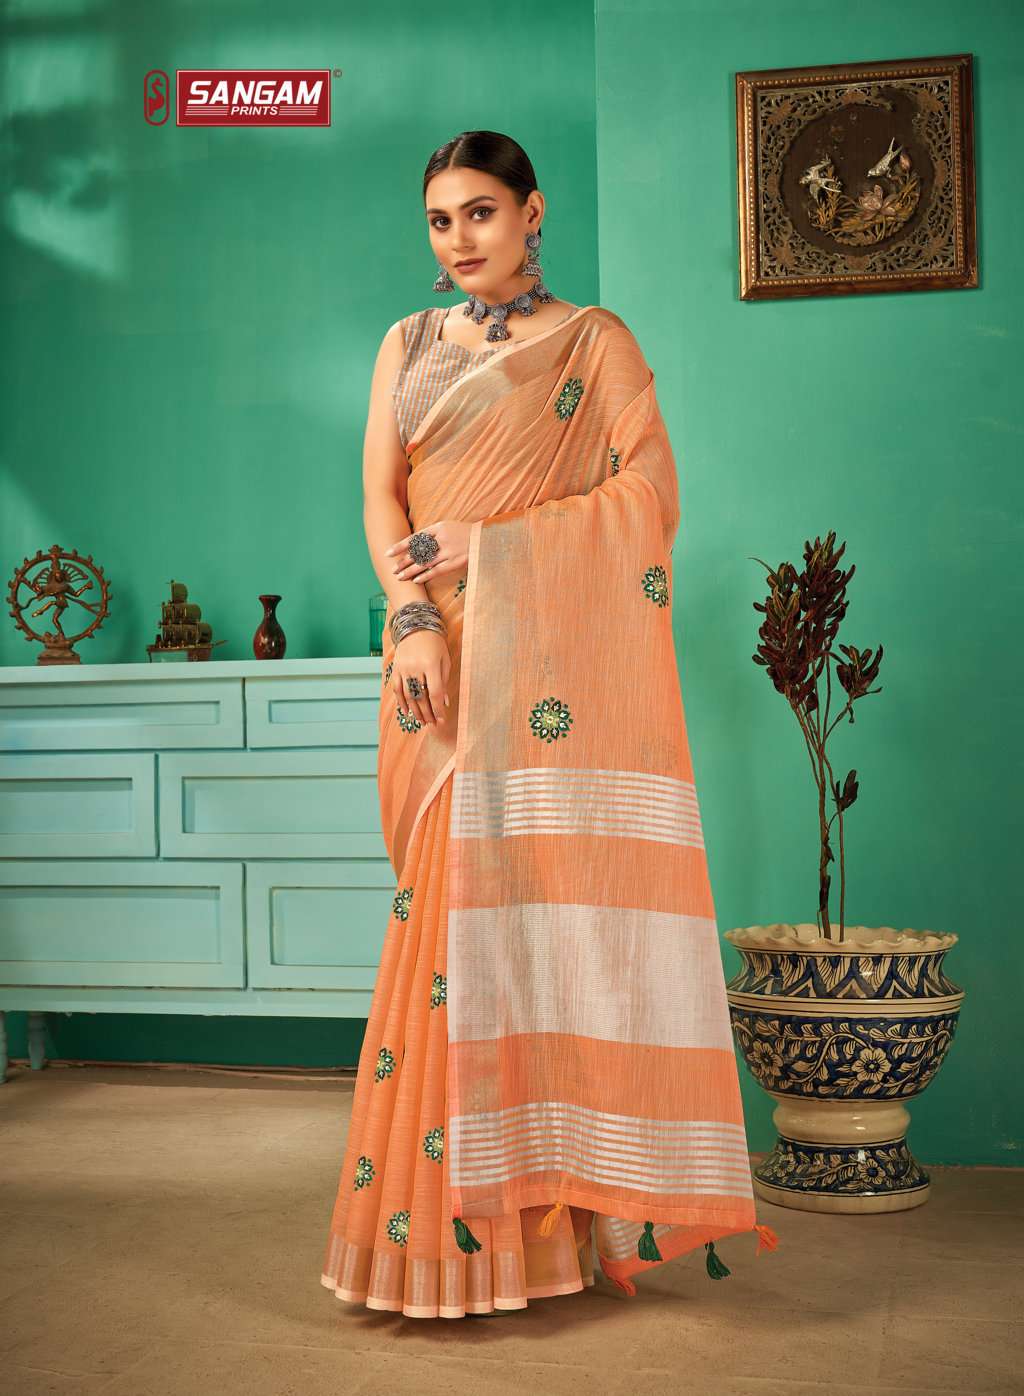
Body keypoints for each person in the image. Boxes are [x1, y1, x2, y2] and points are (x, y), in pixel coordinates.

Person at [320, 129, 779, 1320]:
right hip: (435, 658)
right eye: (440, 220)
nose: (458, 238)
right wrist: (411, 620)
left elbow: (648, 498)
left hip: (540, 677)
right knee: (442, 926)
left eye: (479, 211)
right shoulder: (407, 344)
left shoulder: (594, 343)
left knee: (526, 930)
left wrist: (492, 544)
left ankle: (533, 1245)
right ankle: (437, 1237)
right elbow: (380, 496)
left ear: (531, 212)